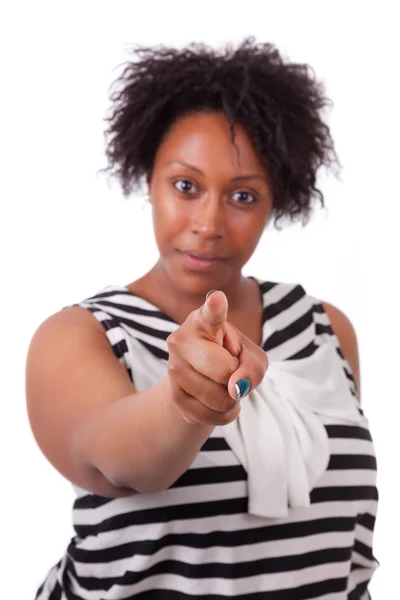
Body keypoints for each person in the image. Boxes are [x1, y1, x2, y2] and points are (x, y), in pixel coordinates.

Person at [26, 38, 378, 599]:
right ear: (148, 178)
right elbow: (120, 462)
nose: (209, 222)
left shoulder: (324, 328)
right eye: (186, 186)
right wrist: (185, 401)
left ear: (275, 203)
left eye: (243, 196)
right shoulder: (81, 335)